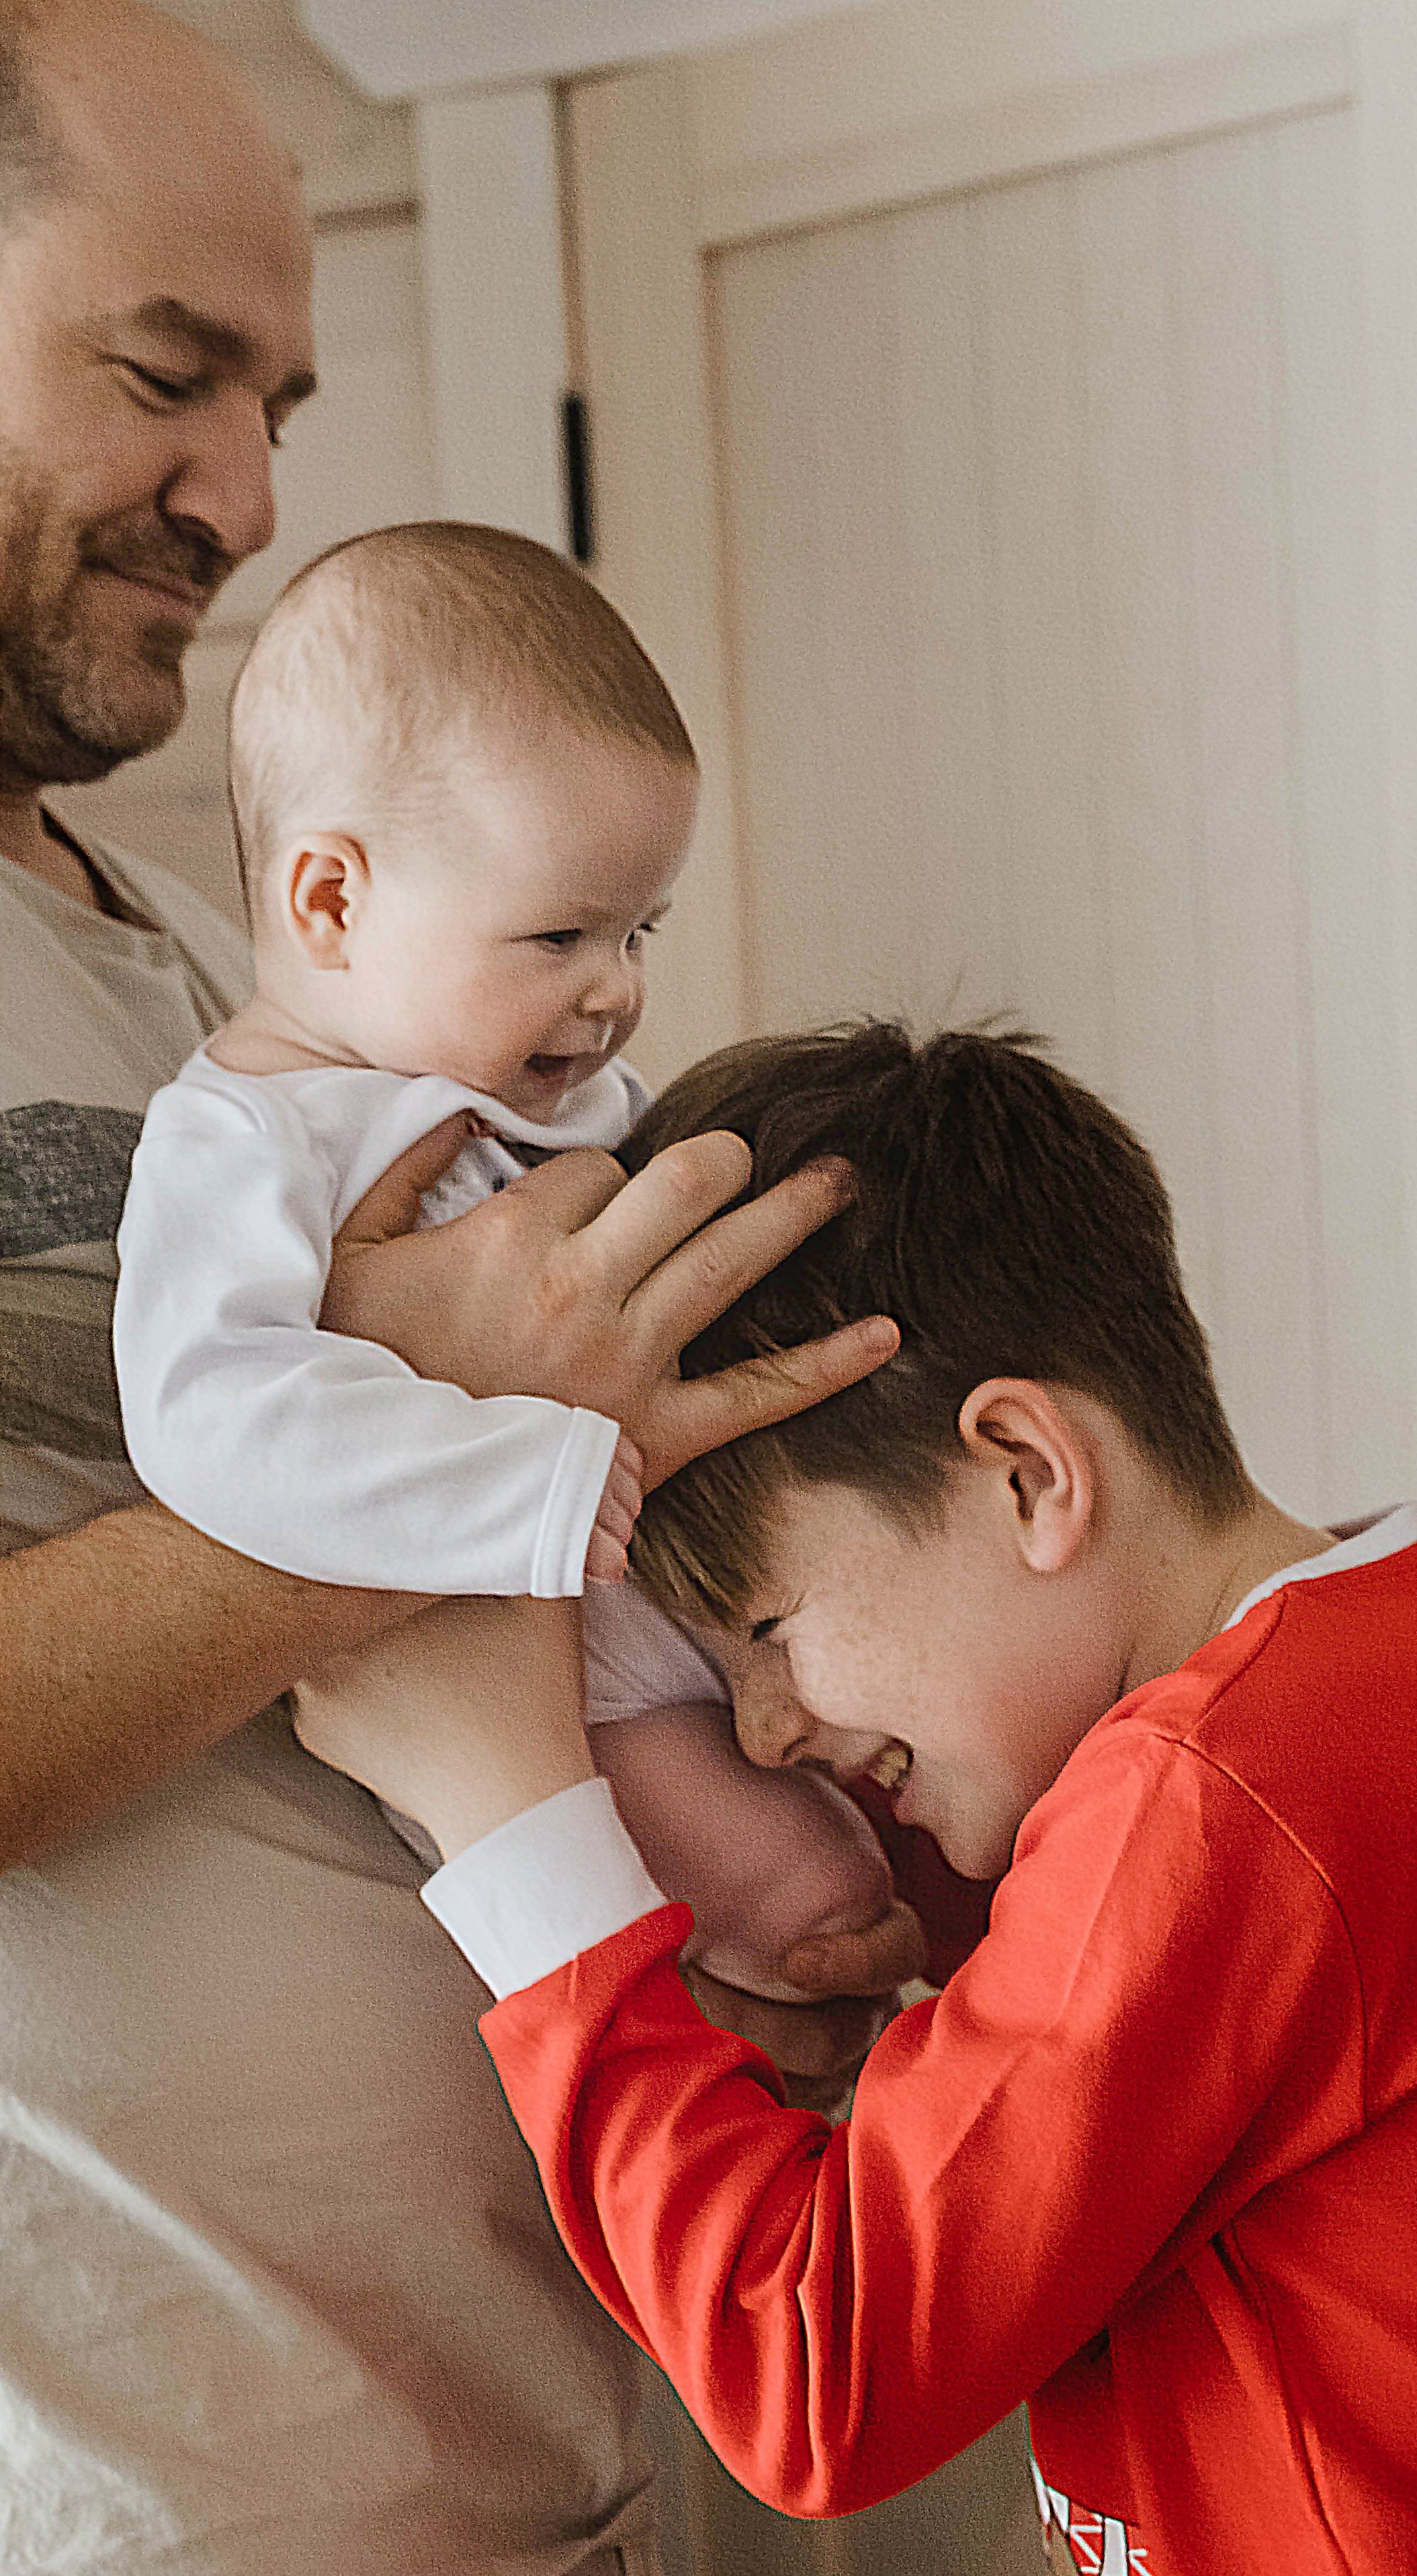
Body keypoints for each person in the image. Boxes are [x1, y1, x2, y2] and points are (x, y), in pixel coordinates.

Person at [0, 5, 916, 2565]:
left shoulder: (222, 968)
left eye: (277, 402)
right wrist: (450, 1420)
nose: (247, 490)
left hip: (546, 2473)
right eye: (167, 374)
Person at [301, 1023, 1417, 2576]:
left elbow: (812, 2368)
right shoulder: (1375, 1681)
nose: (767, 1730)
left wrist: (514, 1821)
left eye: (769, 1629)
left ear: (1027, 1473)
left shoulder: (1221, 1792)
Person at [114, 517, 894, 2001]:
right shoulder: (247, 1140)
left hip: (701, 1572)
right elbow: (213, 1424)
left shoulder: (558, 1094)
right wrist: (517, 1482)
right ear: (330, 902)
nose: (617, 990)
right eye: (558, 935)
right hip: (545, 1670)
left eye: (639, 929)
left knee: (936, 1828)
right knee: (805, 1902)